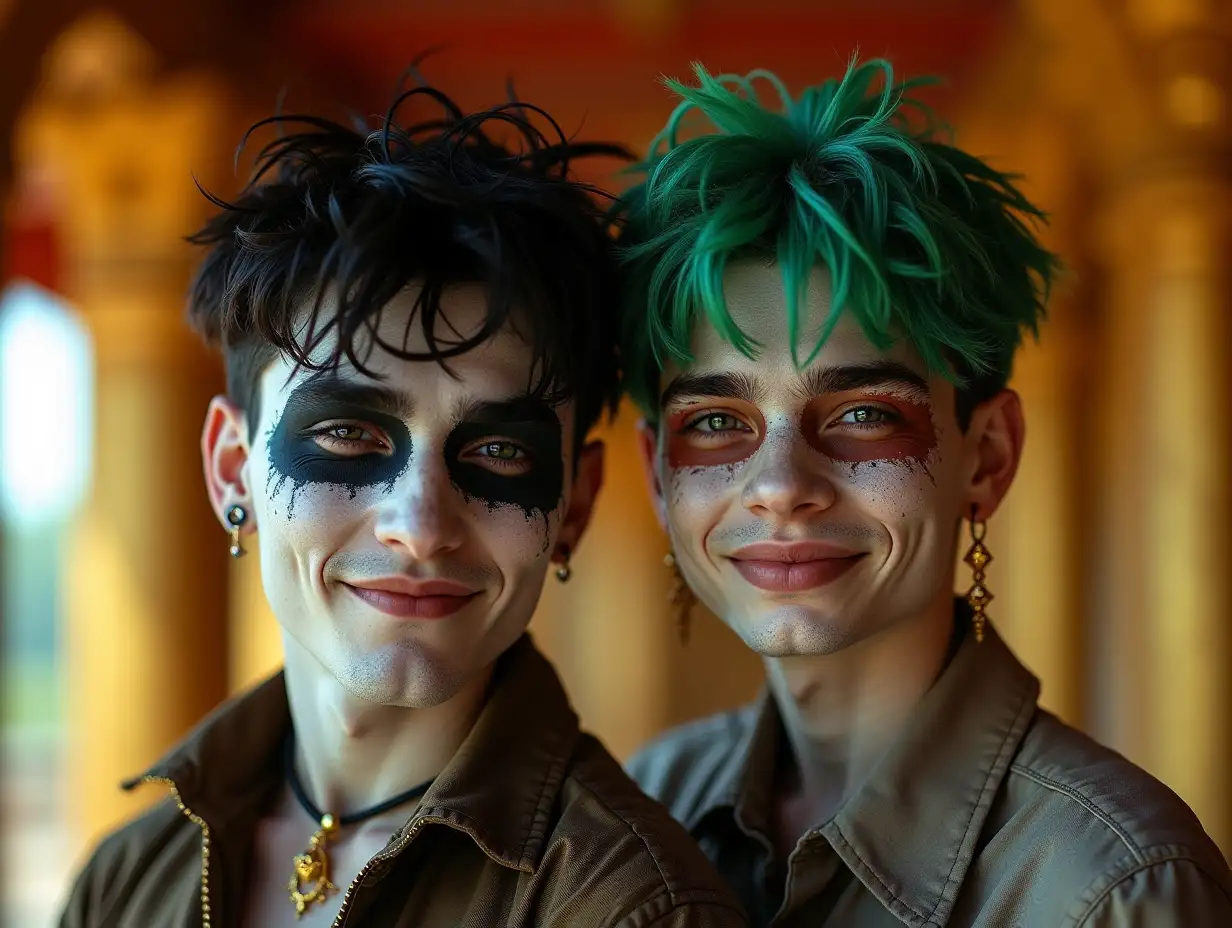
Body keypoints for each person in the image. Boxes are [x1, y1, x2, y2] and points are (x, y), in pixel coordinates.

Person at [58, 78, 748, 928]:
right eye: (348, 436)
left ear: (573, 505)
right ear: (234, 470)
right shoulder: (126, 879)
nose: (421, 527)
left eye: (500, 452)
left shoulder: (632, 911)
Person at [618, 57, 1232, 926]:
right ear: (656, 474)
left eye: (865, 412)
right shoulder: (646, 806)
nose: (781, 487)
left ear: (986, 459)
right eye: (716, 422)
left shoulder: (1113, 887)